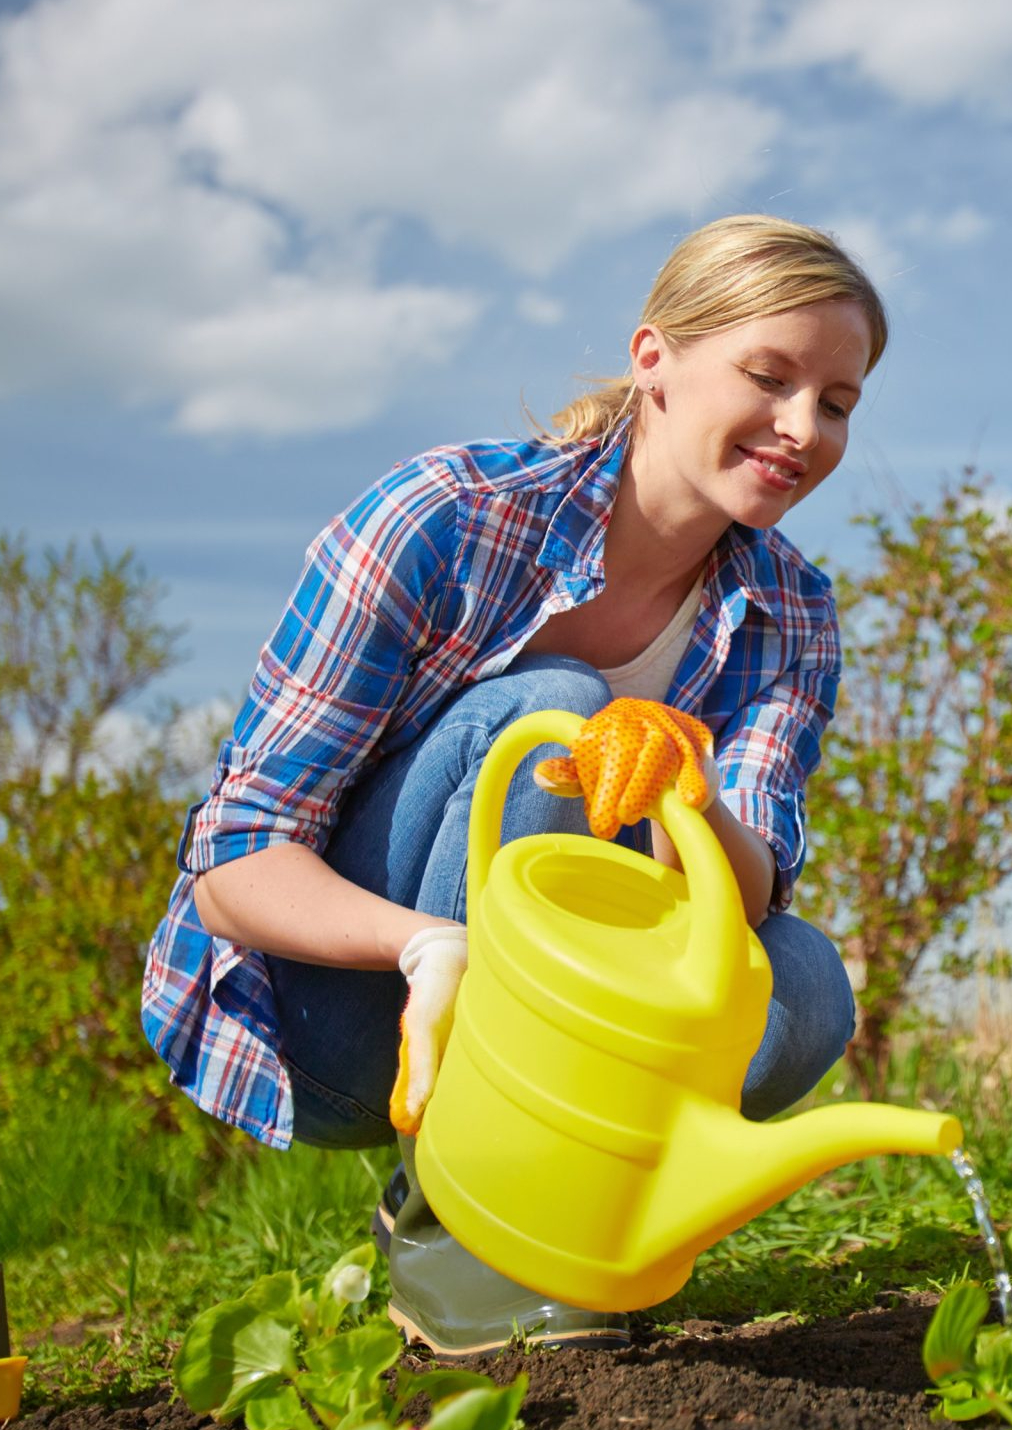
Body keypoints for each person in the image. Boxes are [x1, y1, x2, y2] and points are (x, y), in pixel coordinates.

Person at [141, 215, 883, 1354]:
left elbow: (751, 891)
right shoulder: (444, 520)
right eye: (768, 376)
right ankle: (458, 1225)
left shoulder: (791, 613)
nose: (800, 427)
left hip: (559, 1019)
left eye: (834, 402)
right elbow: (234, 867)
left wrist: (686, 789)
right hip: (357, 1015)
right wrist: (433, 945)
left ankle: (544, 1200)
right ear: (655, 360)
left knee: (804, 985)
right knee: (553, 714)